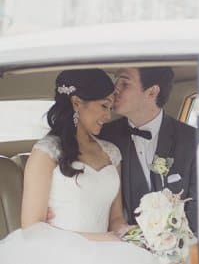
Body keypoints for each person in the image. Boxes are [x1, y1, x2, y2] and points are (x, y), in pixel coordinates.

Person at [0, 69, 158, 264]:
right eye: (103, 106)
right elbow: (32, 228)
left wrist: (135, 234)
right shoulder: (46, 152)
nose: (108, 116)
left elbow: (116, 219)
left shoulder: (112, 153)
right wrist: (102, 239)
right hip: (59, 254)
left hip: (108, 252)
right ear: (76, 103)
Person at [100, 66, 198, 234]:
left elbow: (198, 207)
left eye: (124, 83)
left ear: (152, 92)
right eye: (116, 81)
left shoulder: (192, 140)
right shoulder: (104, 137)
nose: (114, 89)